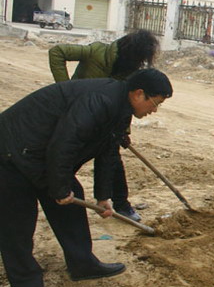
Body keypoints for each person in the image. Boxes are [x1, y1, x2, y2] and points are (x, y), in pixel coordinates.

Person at [0, 69, 173, 287]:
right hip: (12, 150)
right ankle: (26, 285)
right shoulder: (100, 101)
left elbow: (108, 153)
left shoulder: (121, 108)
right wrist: (59, 188)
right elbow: (65, 143)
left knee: (72, 202)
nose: (154, 110)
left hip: (41, 154)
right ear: (138, 93)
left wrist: (103, 197)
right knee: (18, 219)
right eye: (155, 103)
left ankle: (83, 264)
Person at [48, 30, 160, 222]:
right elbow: (57, 52)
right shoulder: (96, 52)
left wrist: (123, 132)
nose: (139, 63)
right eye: (139, 58)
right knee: (66, 156)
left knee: (112, 158)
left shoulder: (129, 73)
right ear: (130, 52)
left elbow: (127, 102)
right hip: (77, 119)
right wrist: (65, 89)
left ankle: (122, 205)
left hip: (105, 123)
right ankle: (56, 192)